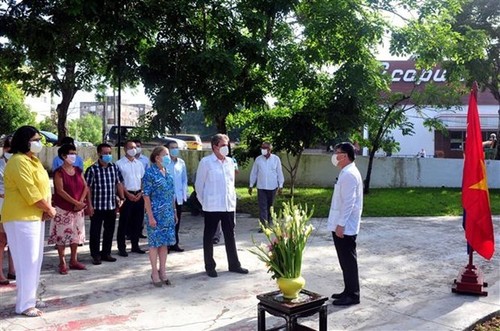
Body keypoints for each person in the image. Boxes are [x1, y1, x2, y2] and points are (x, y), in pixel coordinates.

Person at [1, 125, 57, 317]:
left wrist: (46, 208)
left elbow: (43, 187)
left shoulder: (33, 161)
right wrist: (49, 208)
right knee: (26, 261)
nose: (38, 143)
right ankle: (25, 305)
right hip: (20, 218)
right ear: (25, 141)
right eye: (35, 140)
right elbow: (30, 191)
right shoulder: (17, 162)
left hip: (35, 216)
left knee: (35, 260)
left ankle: (30, 299)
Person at [195, 133, 248, 278]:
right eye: (223, 145)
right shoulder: (206, 163)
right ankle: (210, 266)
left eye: (227, 145)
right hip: (212, 206)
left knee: (230, 235)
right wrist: (204, 202)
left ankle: (234, 264)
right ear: (214, 147)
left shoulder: (230, 162)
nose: (226, 148)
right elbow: (199, 185)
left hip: (228, 205)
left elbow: (231, 184)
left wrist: (233, 201)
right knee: (209, 236)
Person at [327, 142, 363, 306]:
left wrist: (341, 225)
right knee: (344, 261)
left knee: (348, 261)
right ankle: (348, 290)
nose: (335, 156)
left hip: (345, 226)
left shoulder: (349, 174)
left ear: (345, 156)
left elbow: (349, 202)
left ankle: (353, 295)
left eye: (337, 152)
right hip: (341, 223)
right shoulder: (346, 172)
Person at [48, 144, 88, 274]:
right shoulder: (59, 172)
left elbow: (85, 187)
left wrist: (80, 202)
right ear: (63, 156)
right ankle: (62, 262)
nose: (74, 156)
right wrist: (75, 202)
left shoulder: (78, 170)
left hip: (78, 209)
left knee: (76, 235)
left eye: (75, 153)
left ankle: (74, 260)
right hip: (63, 209)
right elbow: (60, 191)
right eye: (71, 153)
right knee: (62, 236)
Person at [85, 143, 125, 265]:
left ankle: (106, 253)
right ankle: (95, 255)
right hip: (97, 206)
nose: (108, 155)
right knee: (95, 232)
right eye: (105, 153)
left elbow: (118, 183)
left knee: (109, 230)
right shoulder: (92, 169)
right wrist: (89, 205)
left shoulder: (114, 167)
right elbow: (88, 188)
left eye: (109, 153)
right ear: (99, 154)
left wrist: (122, 197)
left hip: (110, 205)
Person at [143, 146, 177, 287]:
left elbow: (171, 195)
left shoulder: (168, 173)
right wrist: (150, 216)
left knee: (164, 244)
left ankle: (163, 271)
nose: (168, 157)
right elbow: (146, 196)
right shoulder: (150, 173)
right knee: (154, 244)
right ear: (157, 157)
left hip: (168, 214)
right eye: (165, 154)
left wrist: (174, 212)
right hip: (155, 214)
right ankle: (154, 272)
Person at [116, 140, 146, 257]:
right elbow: (119, 182)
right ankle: (122, 247)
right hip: (126, 195)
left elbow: (143, 179)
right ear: (125, 149)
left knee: (137, 222)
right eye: (130, 147)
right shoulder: (119, 164)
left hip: (138, 194)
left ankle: (135, 245)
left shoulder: (139, 164)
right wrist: (127, 194)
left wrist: (141, 192)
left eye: (135, 147)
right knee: (124, 222)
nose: (133, 150)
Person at [248, 141, 284, 231]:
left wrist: (281, 185)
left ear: (270, 149)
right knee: (262, 207)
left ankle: (269, 222)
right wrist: (251, 185)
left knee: (270, 206)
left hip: (273, 187)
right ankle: (264, 226)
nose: (263, 150)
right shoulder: (258, 159)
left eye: (265, 148)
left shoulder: (276, 159)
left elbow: (279, 172)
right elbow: (254, 173)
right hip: (261, 187)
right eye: (262, 148)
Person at [166, 141, 188, 252]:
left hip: (178, 196)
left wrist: (184, 193)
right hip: (167, 197)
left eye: (176, 147)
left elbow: (184, 179)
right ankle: (167, 245)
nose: (174, 150)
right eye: (172, 148)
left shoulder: (181, 163)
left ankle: (175, 243)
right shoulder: (165, 162)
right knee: (167, 222)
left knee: (176, 221)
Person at [0, 137, 15, 285]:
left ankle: (13, 270)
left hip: (15, 207)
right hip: (1, 205)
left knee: (13, 240)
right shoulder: (0, 164)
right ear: (4, 149)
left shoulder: (19, 163)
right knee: (2, 240)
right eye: (9, 149)